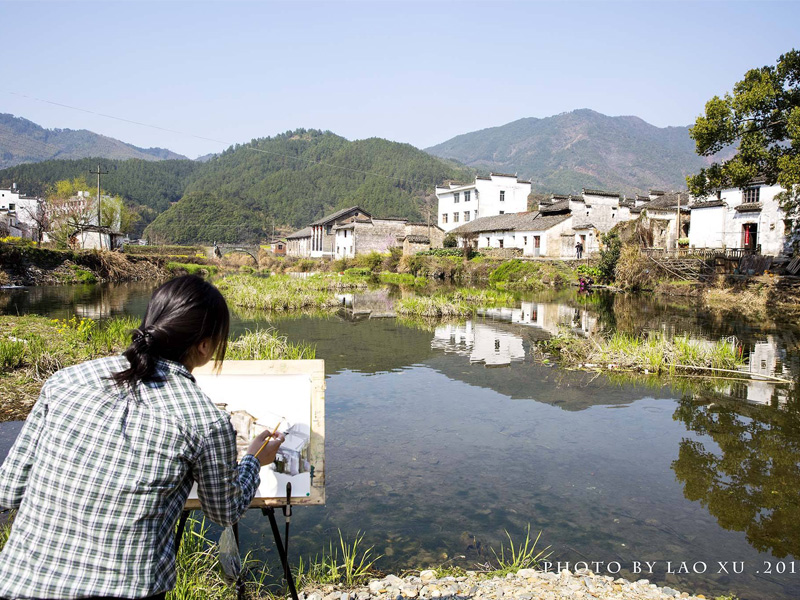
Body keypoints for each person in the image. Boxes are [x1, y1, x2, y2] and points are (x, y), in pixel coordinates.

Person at [0, 275, 284, 600]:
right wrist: (253, 460)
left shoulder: (65, 380)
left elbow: (8, 490)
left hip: (21, 581)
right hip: (127, 590)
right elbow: (224, 511)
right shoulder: (205, 419)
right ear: (205, 346)